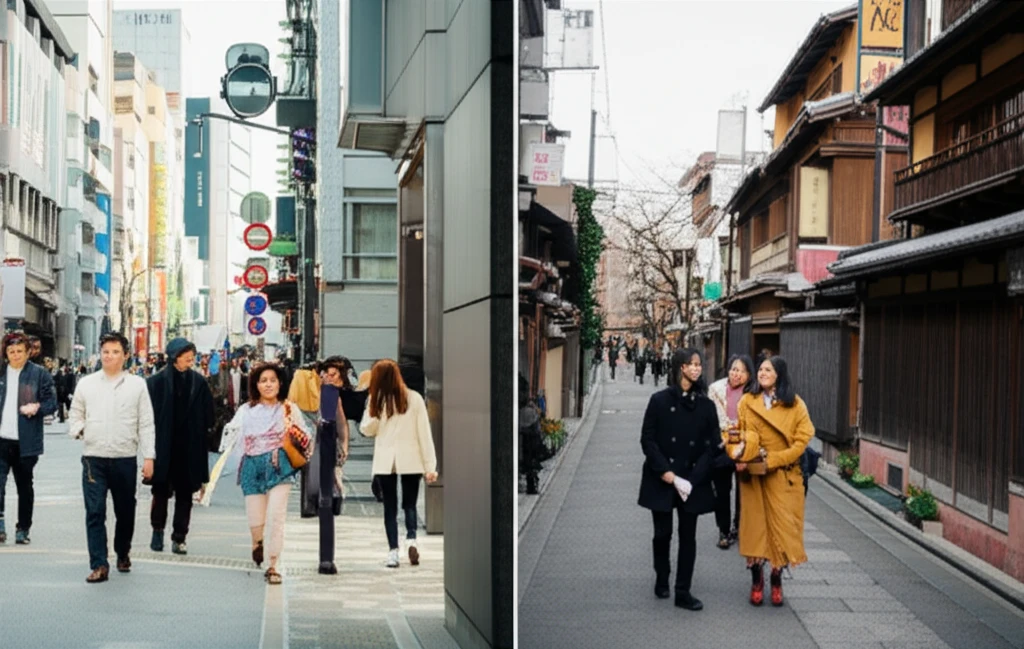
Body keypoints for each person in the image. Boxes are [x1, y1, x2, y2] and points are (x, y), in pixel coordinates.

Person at [637, 348, 722, 611]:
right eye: (691, 364)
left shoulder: (706, 405)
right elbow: (647, 439)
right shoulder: (659, 400)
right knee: (662, 533)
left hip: (692, 479)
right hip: (662, 476)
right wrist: (668, 473)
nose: (697, 369)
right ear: (680, 367)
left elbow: (713, 446)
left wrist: (692, 479)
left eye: (699, 364)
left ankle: (683, 591)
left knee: (689, 536)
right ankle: (662, 576)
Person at [68, 332, 156, 583]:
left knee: (125, 510)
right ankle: (99, 563)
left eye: (115, 352)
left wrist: (149, 457)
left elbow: (146, 424)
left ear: (125, 355)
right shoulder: (86, 383)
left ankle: (123, 551)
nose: (109, 356)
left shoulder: (137, 385)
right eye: (106, 351)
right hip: (93, 458)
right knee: (94, 511)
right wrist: (82, 430)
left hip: (124, 457)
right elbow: (75, 415)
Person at [728, 355, 815, 607]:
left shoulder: (795, 404)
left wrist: (774, 459)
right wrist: (742, 450)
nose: (762, 373)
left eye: (768, 369)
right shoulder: (747, 400)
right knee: (755, 530)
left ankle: (777, 578)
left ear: (780, 374)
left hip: (784, 475)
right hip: (754, 474)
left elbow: (802, 441)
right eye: (761, 369)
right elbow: (742, 431)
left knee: (782, 530)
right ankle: (757, 579)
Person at [223, 363, 313, 585]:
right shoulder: (246, 410)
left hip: (279, 465)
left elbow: (306, 437)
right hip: (251, 467)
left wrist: (293, 438)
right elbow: (230, 435)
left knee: (276, 516)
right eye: (263, 381)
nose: (268, 384)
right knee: (256, 519)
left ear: (280, 383)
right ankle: (257, 544)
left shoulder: (289, 408)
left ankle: (273, 564)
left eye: (272, 380)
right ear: (256, 385)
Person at [360, 359, 438, 569]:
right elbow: (424, 434)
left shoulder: (376, 400)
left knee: (389, 508)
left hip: (386, 462)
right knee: (409, 504)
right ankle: (411, 539)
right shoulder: (414, 398)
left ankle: (393, 552)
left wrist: (375, 411)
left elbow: (366, 429)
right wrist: (430, 467)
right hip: (411, 460)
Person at [146, 338, 215, 555]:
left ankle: (179, 537)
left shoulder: (199, 382)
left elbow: (209, 416)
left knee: (186, 494)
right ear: (175, 356)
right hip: (164, 446)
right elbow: (146, 417)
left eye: (192, 355)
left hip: (190, 446)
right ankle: (157, 531)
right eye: (187, 354)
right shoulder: (155, 383)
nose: (190, 358)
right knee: (160, 492)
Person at [0, 332, 58, 545]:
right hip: (2, 439)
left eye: (19, 352)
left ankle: (23, 528)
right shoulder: (1, 372)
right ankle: (0, 524)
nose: (15, 356)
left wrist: (37, 407)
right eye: (11, 352)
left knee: (24, 486)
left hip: (26, 442)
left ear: (28, 353)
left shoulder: (39, 374)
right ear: (5, 353)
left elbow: (52, 402)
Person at [707, 354, 756, 550]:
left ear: (749, 374)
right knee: (722, 490)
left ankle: (740, 527)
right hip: (721, 446)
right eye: (733, 369)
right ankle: (724, 530)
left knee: (744, 490)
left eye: (741, 371)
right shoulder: (716, 389)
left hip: (745, 446)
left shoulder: (754, 393)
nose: (736, 374)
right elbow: (711, 419)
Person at [313, 356, 351, 574]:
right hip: (318, 453)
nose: (329, 378)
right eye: (326, 374)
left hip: (328, 453)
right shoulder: (319, 394)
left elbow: (342, 424)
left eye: (334, 374)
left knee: (327, 497)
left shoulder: (333, 395)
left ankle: (326, 558)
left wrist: (344, 446)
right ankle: (326, 559)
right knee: (324, 498)